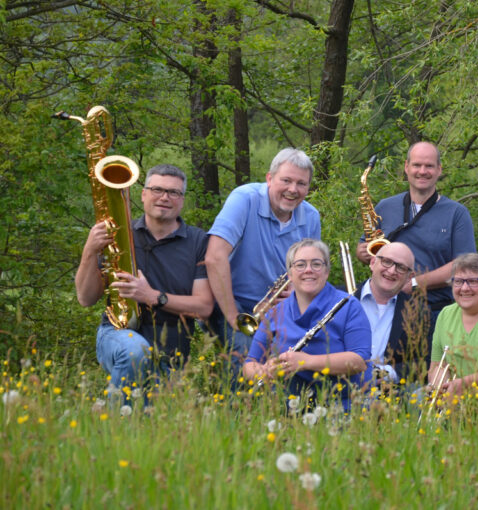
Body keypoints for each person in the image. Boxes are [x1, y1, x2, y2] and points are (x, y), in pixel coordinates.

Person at [75, 164, 211, 401]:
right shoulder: (117, 234)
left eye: (174, 192)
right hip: (117, 333)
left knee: (154, 423)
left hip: (172, 348)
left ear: (182, 200)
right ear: (143, 194)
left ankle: (107, 415)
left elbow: (204, 307)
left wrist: (152, 296)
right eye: (157, 189)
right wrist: (89, 251)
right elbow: (86, 299)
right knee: (135, 351)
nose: (164, 197)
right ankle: (114, 427)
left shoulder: (199, 241)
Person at [206, 148, 320, 360]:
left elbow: (311, 272)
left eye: (301, 184)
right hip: (233, 302)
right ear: (269, 178)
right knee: (248, 360)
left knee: (311, 355)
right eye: (286, 180)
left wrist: (295, 290)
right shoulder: (244, 199)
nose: (293, 189)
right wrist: (233, 317)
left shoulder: (311, 216)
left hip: (280, 310)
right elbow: (214, 257)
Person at [356, 142, 475, 326]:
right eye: (417, 165)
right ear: (406, 167)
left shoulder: (457, 213)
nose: (422, 171)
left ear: (439, 170)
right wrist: (362, 252)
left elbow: (463, 266)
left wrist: (413, 284)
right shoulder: (385, 206)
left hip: (433, 312)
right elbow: (366, 248)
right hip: (384, 309)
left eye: (429, 166)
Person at [243, 239, 370, 407]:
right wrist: (265, 372)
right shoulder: (275, 312)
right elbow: (249, 364)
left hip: (341, 405)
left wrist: (306, 362)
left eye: (316, 264)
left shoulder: (348, 305)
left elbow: (359, 361)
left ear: (326, 272)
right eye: (300, 265)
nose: (308, 270)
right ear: (290, 275)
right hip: (288, 405)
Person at [426, 254, 478, 395]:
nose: (464, 288)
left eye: (473, 281)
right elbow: (437, 365)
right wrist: (441, 387)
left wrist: (462, 385)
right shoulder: (445, 313)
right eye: (458, 281)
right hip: (452, 394)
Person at [357, 241, 431, 386]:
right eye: (386, 262)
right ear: (372, 262)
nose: (391, 271)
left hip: (388, 396)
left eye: (401, 267)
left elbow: (424, 362)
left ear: (410, 277)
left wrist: (384, 373)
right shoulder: (341, 297)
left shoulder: (419, 312)